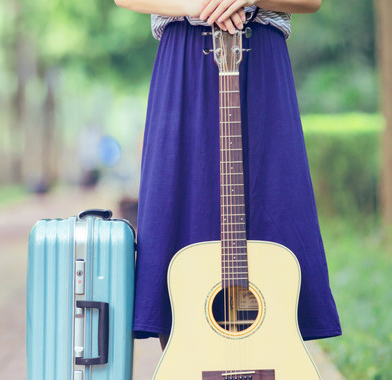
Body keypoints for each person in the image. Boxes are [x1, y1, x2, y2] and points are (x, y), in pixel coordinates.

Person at [113, 0, 342, 349]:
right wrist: (204, 5)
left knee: (274, 209)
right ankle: (186, 365)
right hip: (185, 63)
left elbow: (310, 2)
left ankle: (267, 355)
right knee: (181, 219)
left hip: (261, 60)